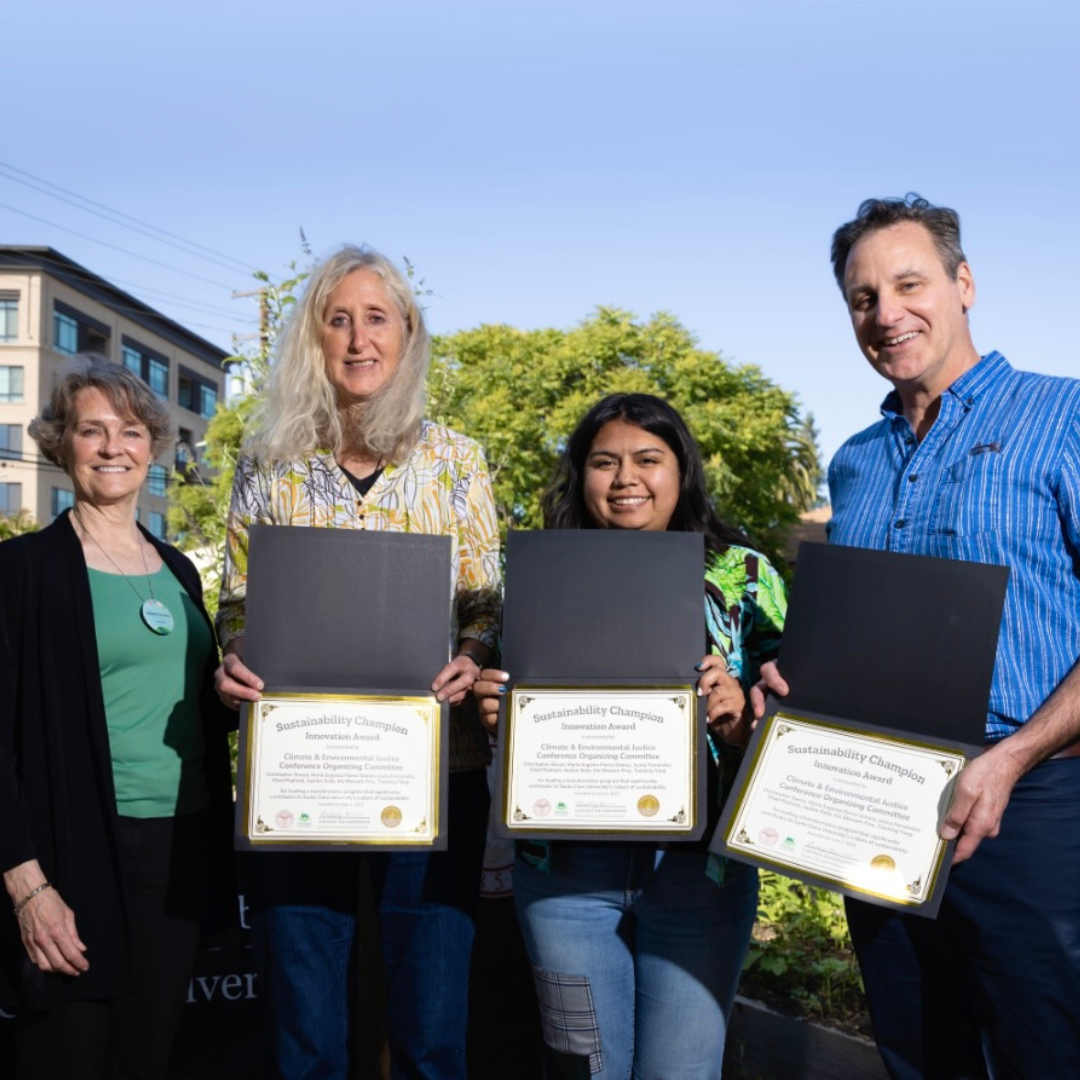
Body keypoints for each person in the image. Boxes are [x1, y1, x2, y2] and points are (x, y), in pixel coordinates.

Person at [755, 195, 1080, 1078]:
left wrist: (1009, 761)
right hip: (880, 799)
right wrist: (791, 679)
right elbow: (852, 632)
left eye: (908, 283)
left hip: (1032, 802)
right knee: (916, 1051)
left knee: (1046, 1049)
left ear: (963, 282)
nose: (886, 313)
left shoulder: (1065, 417)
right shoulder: (855, 458)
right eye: (863, 297)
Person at [214, 245, 501, 1080]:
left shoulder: (457, 459)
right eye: (337, 318)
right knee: (305, 1035)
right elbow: (237, 604)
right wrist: (235, 656)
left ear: (408, 335)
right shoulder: (268, 460)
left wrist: (472, 652)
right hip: (301, 772)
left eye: (377, 317)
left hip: (438, 772)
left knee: (432, 1029)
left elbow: (486, 604)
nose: (357, 338)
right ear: (312, 337)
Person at [475, 393, 786, 1079]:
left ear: (683, 471)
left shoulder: (748, 576)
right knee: (583, 1072)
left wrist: (741, 723)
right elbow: (501, 680)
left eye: (649, 459)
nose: (625, 479)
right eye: (603, 462)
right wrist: (495, 706)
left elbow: (796, 722)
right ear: (579, 474)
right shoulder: (535, 575)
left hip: (700, 877)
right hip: (563, 879)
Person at [0, 356, 235, 1080]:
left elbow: (193, 711)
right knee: (68, 1056)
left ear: (152, 447)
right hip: (75, 856)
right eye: (91, 431)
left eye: (130, 431)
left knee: (149, 1056)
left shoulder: (179, 571)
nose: (112, 448)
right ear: (60, 443)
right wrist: (27, 886)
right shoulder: (24, 572)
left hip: (179, 854)